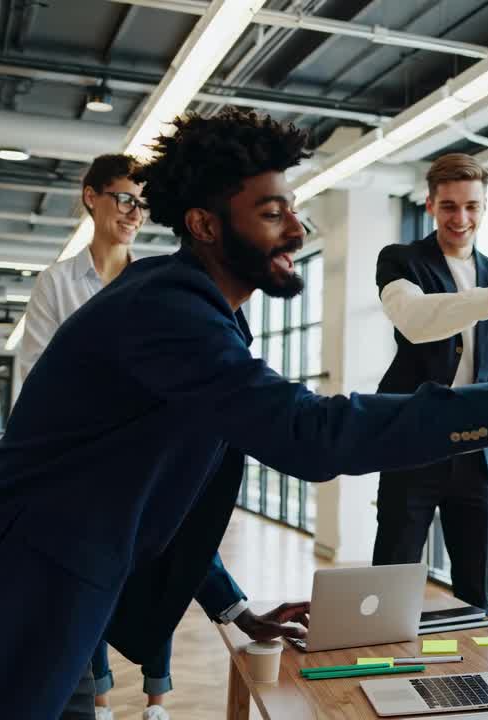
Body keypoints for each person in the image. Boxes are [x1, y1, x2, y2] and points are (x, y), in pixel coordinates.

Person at [0, 107, 488, 720]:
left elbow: (156, 490)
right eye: (272, 212)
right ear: (206, 226)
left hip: (52, 610)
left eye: (295, 209)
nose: (297, 230)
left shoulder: (201, 314)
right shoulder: (169, 309)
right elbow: (314, 434)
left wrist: (233, 605)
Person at [17, 154, 306, 720]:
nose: (132, 212)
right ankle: (102, 698)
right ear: (91, 198)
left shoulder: (159, 288)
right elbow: (38, 391)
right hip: (43, 560)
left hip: (94, 534)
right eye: (122, 198)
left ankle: (150, 699)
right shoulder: (128, 298)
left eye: (139, 203)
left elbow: (174, 518)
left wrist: (237, 610)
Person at [373, 153, 488, 611]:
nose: (462, 218)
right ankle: (378, 670)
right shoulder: (400, 260)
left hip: (478, 453)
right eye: (450, 207)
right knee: (391, 583)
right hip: (412, 443)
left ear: (484, 207)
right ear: (430, 206)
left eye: (472, 206)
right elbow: (416, 321)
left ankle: (469, 681)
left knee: (476, 592)